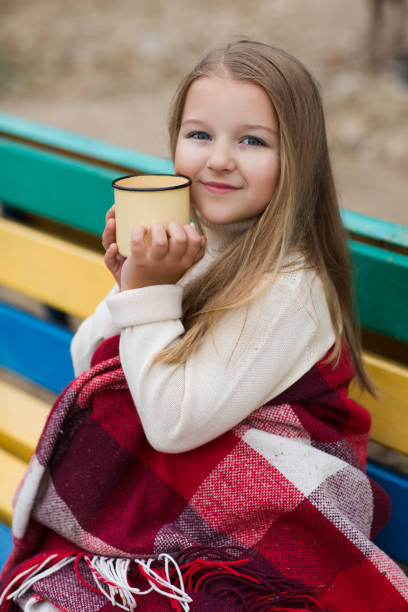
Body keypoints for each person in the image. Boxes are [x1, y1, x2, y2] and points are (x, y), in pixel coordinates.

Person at [1, 39, 408, 612]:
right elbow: (93, 367)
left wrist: (150, 293)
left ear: (298, 159)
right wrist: (130, 288)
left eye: (252, 141)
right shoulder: (189, 251)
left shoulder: (291, 285)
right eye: (199, 135)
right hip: (173, 512)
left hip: (264, 529)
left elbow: (171, 425)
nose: (219, 158)